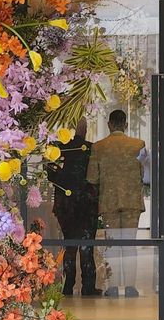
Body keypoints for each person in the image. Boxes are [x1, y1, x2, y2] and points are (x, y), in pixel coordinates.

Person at [87, 108, 145, 297]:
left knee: (111, 244)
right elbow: (146, 174)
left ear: (109, 124)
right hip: (131, 201)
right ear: (126, 124)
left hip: (109, 201)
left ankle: (112, 286)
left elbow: (92, 177)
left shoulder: (98, 147)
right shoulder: (139, 145)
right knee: (130, 244)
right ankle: (130, 286)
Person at [46, 117, 100, 296]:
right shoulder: (91, 149)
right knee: (86, 245)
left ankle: (67, 285)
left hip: (65, 203)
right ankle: (88, 286)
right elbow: (96, 176)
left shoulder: (58, 148)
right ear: (84, 130)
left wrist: (63, 181)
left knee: (69, 243)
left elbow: (50, 172)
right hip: (86, 203)